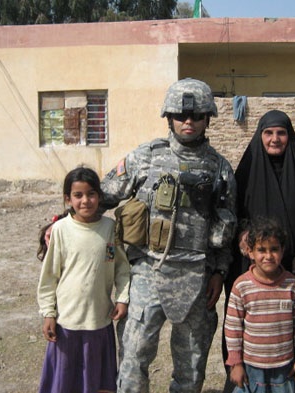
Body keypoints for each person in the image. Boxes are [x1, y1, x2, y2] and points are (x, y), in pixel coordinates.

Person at [100, 78, 237, 393]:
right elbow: (103, 195)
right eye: (180, 115)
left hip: (198, 278)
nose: (188, 121)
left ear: (207, 118)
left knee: (191, 365)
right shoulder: (145, 157)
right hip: (148, 272)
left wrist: (219, 272)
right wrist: (63, 220)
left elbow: (228, 225)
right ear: (169, 117)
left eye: (196, 116)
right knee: (134, 358)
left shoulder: (220, 169)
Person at [224, 109, 295, 393]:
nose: (275, 139)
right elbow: (229, 219)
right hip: (255, 280)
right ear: (260, 136)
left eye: (281, 133)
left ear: (290, 136)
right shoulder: (246, 174)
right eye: (268, 133)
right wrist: (243, 234)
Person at [36, 166, 131, 393]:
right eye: (78, 195)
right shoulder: (60, 230)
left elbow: (121, 268)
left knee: (97, 381)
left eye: (91, 194)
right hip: (67, 322)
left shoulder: (109, 228)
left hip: (99, 320)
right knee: (66, 380)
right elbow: (49, 276)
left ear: (99, 196)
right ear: (68, 198)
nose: (85, 201)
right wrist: (49, 313)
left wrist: (122, 298)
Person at [225, 217, 295, 393]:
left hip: (284, 367)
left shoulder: (291, 285)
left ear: (282, 250)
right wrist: (235, 363)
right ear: (250, 252)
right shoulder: (242, 286)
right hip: (252, 368)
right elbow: (233, 328)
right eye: (261, 250)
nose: (268, 256)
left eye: (274, 249)